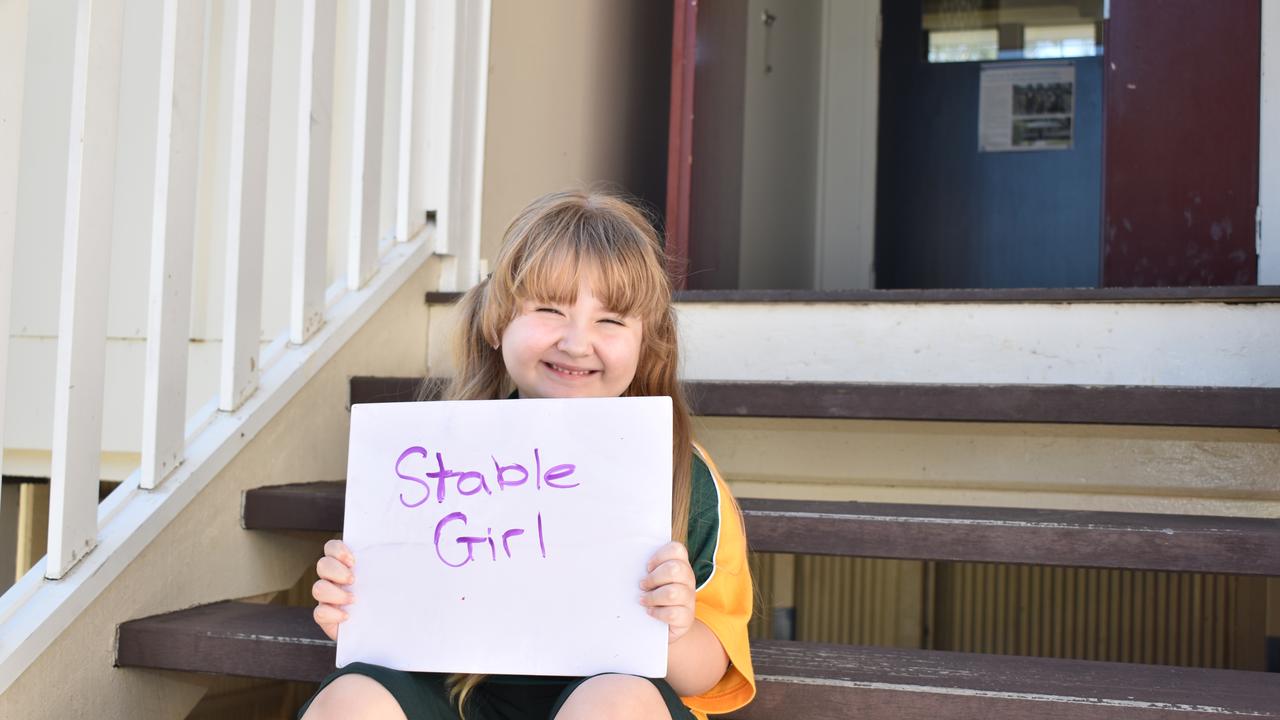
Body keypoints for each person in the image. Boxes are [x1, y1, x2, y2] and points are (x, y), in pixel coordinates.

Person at [300, 189, 755, 720]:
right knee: (354, 700)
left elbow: (709, 670)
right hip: (456, 697)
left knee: (617, 702)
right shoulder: (434, 458)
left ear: (645, 344)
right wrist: (353, 607)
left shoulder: (680, 474)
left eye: (610, 321)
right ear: (497, 324)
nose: (577, 342)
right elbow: (396, 618)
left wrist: (674, 631)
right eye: (548, 310)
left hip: (613, 700)